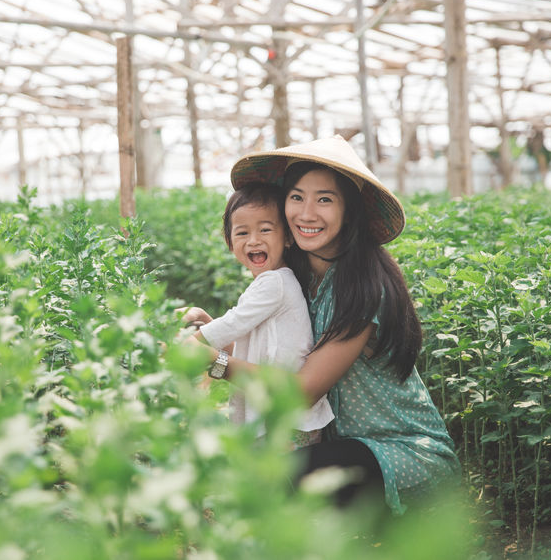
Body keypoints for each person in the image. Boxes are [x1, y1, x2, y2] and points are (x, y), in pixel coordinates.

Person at [183, 135, 460, 515]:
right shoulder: (298, 278)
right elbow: (278, 347)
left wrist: (216, 362)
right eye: (296, 197)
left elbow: (301, 392)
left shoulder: (364, 289)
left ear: (350, 212)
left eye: (324, 199)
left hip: (401, 455)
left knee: (265, 480)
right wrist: (214, 336)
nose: (306, 213)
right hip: (335, 446)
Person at [182, 182, 334, 449]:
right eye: (242, 233)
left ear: (287, 238)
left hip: (285, 421)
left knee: (268, 482)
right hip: (289, 419)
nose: (253, 240)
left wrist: (193, 342)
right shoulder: (274, 281)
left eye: (265, 230)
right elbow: (244, 337)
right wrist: (206, 321)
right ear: (230, 242)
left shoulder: (274, 283)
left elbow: (231, 323)